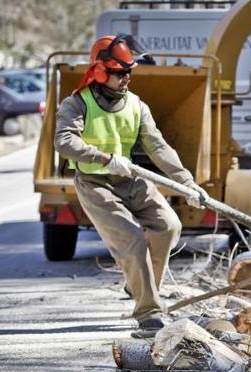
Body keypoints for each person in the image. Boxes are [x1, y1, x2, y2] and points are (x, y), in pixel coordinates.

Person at [54, 34, 208, 336]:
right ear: (99, 71)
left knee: (169, 226)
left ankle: (137, 284)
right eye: (119, 72)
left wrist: (187, 183)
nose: (126, 78)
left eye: (129, 72)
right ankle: (148, 312)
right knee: (132, 239)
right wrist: (103, 158)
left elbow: (159, 147)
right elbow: (64, 141)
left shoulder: (137, 106)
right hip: (94, 181)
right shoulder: (76, 103)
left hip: (130, 178)